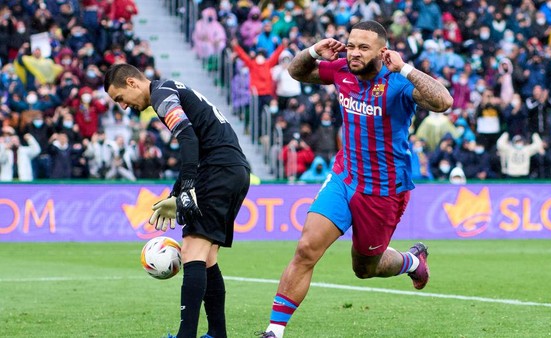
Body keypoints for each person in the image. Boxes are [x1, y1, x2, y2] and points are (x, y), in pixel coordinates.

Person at [258, 20, 453, 338]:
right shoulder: (340, 70)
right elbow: (296, 73)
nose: (354, 53)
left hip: (383, 191)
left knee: (365, 268)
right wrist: (312, 52)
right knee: (307, 248)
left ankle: (411, 262)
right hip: (344, 177)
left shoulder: (397, 82)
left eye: (364, 47)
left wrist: (405, 69)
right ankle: (274, 331)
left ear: (382, 51)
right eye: (351, 45)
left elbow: (444, 102)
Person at [103, 63, 251, 338]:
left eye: (120, 98)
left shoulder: (160, 95)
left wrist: (188, 187)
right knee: (207, 259)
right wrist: (177, 191)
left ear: (133, 83)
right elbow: (198, 138)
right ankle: (217, 333)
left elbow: (186, 135)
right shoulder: (170, 88)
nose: (123, 107)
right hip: (233, 170)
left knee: (192, 251)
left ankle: (187, 335)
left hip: (218, 170)